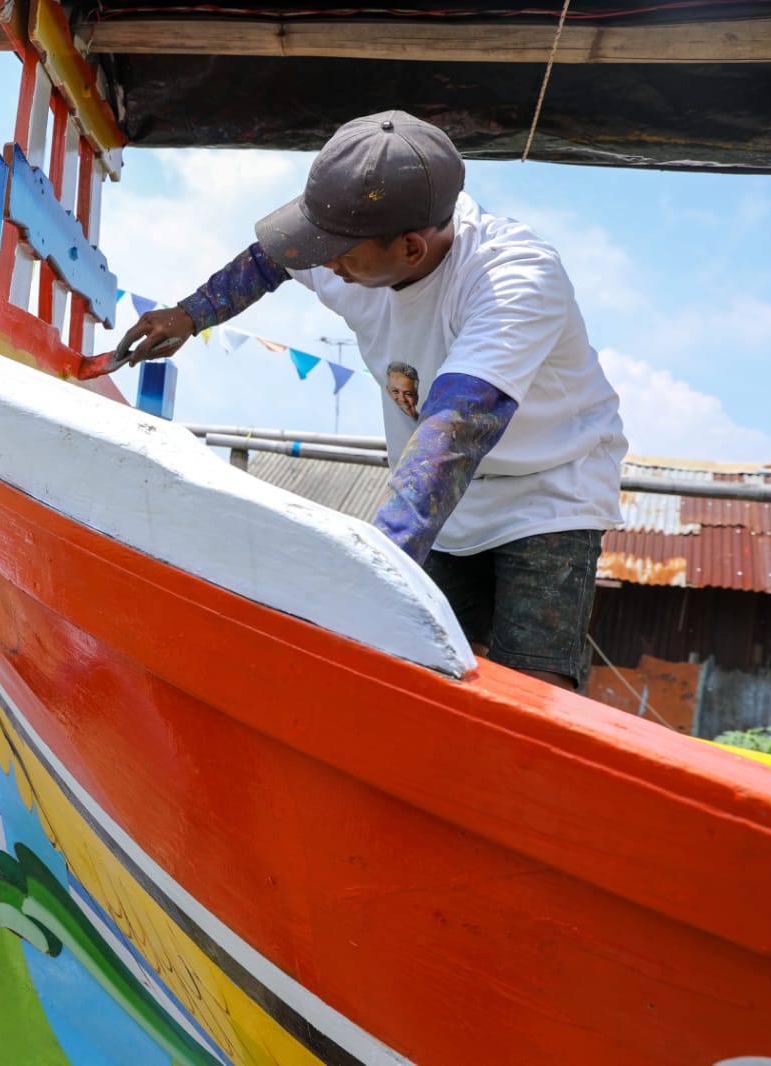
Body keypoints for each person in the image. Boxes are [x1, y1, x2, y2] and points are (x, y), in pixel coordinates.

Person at [120, 111, 626, 690]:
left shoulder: (513, 279)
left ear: (411, 248)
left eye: (338, 252)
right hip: (448, 501)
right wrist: (190, 315)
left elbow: (457, 427)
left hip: (548, 489)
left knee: (532, 691)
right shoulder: (350, 242)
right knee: (424, 673)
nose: (323, 263)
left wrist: (367, 573)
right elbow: (269, 260)